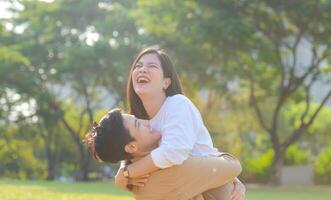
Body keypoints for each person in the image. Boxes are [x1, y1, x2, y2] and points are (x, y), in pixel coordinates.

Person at [85, 108, 242, 200]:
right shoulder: (174, 169)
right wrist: (230, 176)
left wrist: (125, 171)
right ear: (132, 146)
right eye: (138, 124)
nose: (147, 122)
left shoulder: (137, 178)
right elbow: (233, 165)